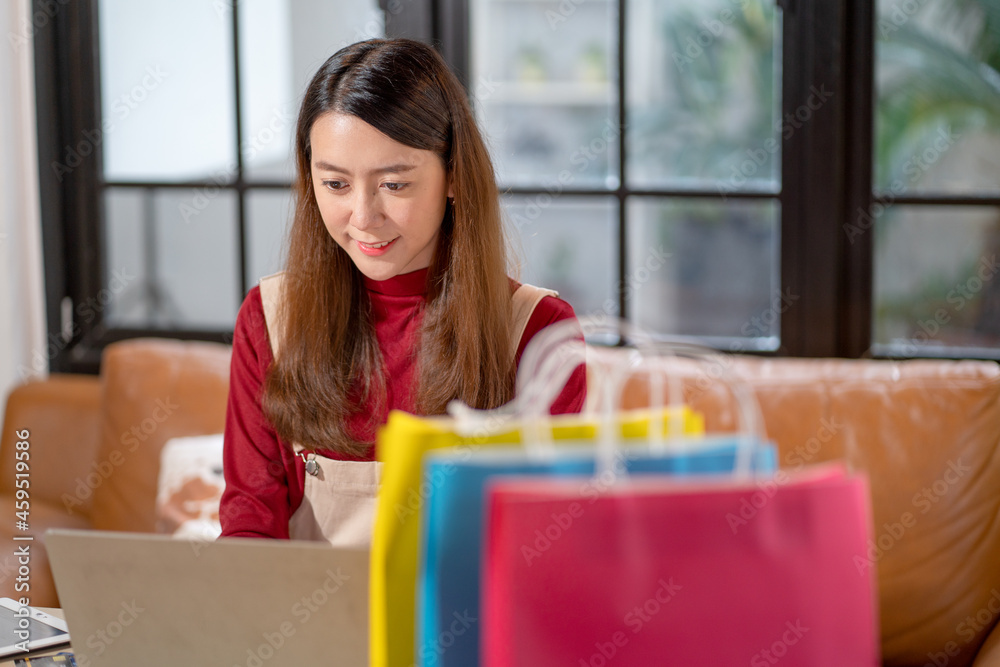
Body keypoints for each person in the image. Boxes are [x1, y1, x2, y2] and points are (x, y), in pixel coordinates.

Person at [219, 38, 586, 543]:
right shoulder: (269, 317)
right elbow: (249, 525)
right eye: (336, 184)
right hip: (299, 600)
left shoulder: (539, 332)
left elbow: (545, 543)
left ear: (453, 176)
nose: (363, 217)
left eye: (393, 185)